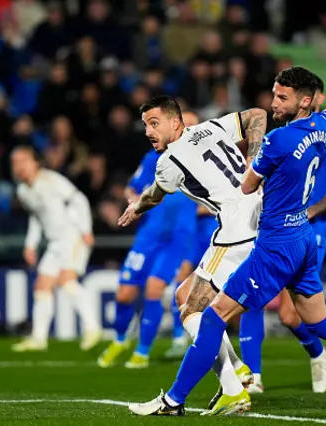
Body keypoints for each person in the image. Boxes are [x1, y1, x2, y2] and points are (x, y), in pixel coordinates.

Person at [126, 46, 326, 417]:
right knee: (320, 321)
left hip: (272, 241)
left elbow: (247, 185)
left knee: (210, 316)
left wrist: (253, 161)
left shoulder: (279, 140)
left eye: (282, 97)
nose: (273, 101)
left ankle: (177, 399)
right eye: (274, 94)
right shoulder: (319, 126)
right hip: (303, 237)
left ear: (303, 101)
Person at [116, 94, 268, 415]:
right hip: (260, 217)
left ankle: (221, 386)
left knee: (189, 309)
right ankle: (235, 375)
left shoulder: (168, 162)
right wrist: (254, 160)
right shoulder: (211, 128)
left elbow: (155, 195)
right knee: (186, 296)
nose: (148, 131)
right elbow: (257, 115)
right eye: (145, 125)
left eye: (154, 123)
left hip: (236, 230)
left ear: (176, 121)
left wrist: (137, 207)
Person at [238, 75, 326, 395]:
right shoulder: (283, 135)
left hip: (308, 229)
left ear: (311, 100)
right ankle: (253, 376)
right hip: (273, 224)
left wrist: (311, 212)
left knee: (291, 316)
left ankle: (317, 352)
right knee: (252, 296)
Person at [97, 114, 199, 369]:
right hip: (149, 236)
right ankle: (120, 339)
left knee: (154, 290)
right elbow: (131, 189)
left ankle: (142, 351)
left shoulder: (201, 160)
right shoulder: (154, 158)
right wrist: (138, 201)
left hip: (178, 238)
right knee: (124, 294)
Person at [10, 146, 101, 352]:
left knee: (67, 282)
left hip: (72, 235)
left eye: (23, 160)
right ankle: (39, 338)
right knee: (42, 286)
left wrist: (86, 229)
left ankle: (93, 328)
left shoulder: (51, 180)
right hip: (54, 243)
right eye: (15, 162)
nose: (19, 166)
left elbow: (78, 199)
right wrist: (30, 245)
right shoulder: (23, 190)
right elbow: (37, 217)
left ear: (35, 163)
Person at [165, 204, 218, 359]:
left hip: (215, 238)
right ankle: (179, 338)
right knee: (181, 284)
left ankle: (210, 337)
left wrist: (206, 208)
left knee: (217, 290)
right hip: (193, 238)